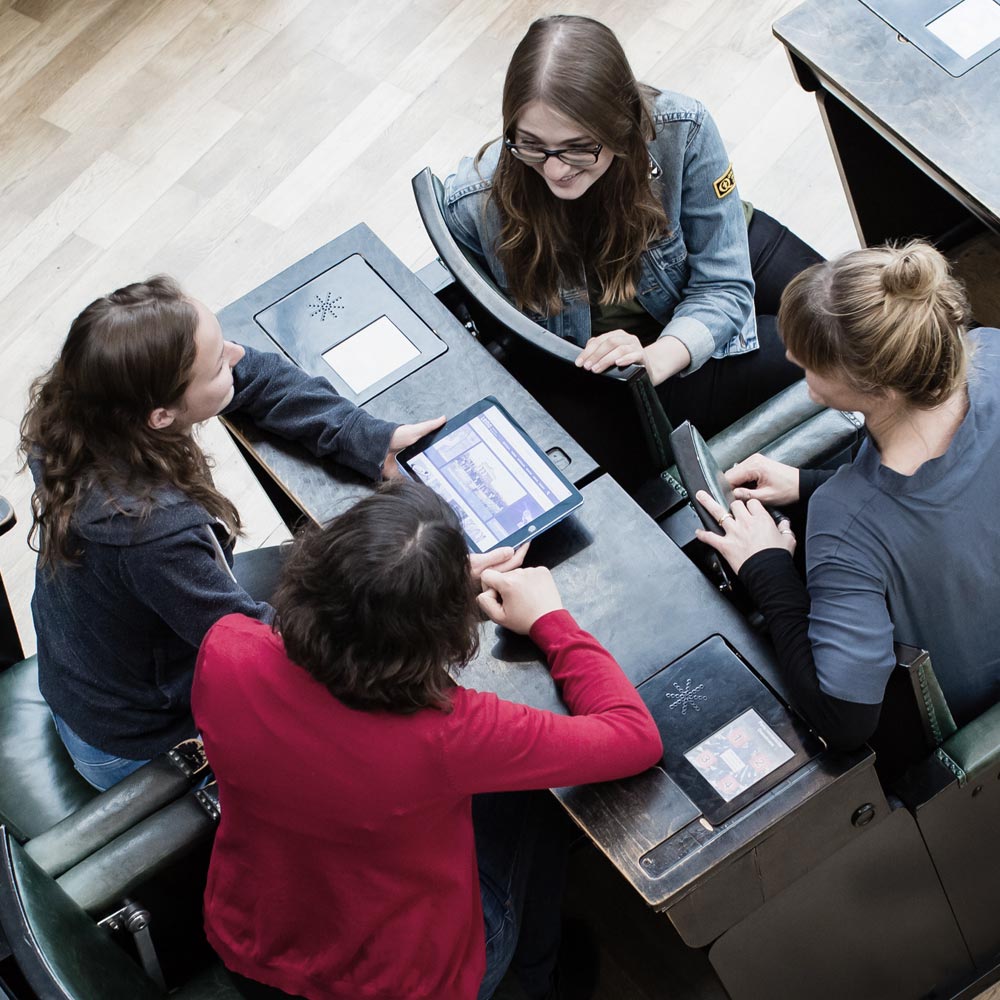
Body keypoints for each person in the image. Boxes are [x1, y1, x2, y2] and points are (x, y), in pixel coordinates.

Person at [193, 480, 663, 1000]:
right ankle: (539, 978)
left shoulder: (227, 647)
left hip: (253, 940)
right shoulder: (453, 735)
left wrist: (434, 593)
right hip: (406, 983)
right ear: (443, 633)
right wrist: (551, 619)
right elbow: (633, 735)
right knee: (537, 797)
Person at [19, 275, 446, 790]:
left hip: (101, 669)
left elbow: (249, 376)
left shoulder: (85, 411)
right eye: (218, 363)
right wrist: (431, 590)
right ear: (161, 415)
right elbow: (256, 649)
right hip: (140, 739)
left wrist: (369, 439)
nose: (236, 356)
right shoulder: (151, 536)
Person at [443, 14, 822, 440]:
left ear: (621, 124)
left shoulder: (682, 127)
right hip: (626, 352)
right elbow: (529, 357)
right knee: (821, 356)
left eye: (578, 147)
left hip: (710, 247)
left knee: (856, 319)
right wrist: (652, 360)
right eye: (531, 144)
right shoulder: (473, 203)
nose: (554, 168)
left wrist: (664, 352)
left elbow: (723, 284)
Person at [693, 240, 1000, 750]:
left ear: (872, 385)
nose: (791, 356)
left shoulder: (847, 523)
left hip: (968, 719)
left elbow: (844, 718)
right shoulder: (991, 347)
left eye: (811, 364)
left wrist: (766, 565)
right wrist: (808, 485)